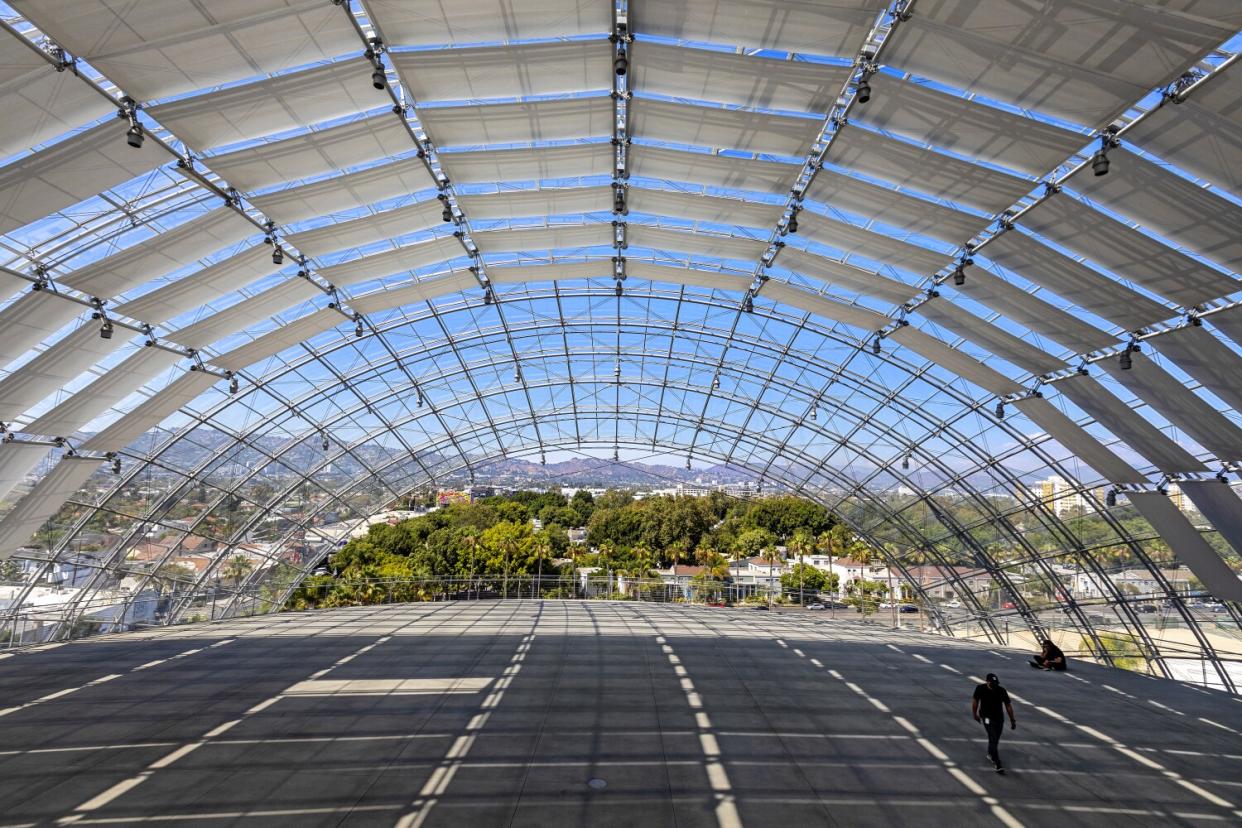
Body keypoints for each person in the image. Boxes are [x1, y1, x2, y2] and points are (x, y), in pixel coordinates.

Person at [972, 673, 1016, 773]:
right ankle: (997, 763)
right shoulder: (980, 688)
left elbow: (1008, 705)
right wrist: (975, 714)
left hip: (999, 718)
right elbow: (975, 701)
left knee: (995, 739)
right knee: (993, 737)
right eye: (992, 683)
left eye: (996, 683)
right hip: (986, 717)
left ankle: (990, 753)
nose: (995, 685)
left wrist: (1012, 720)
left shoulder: (1001, 690)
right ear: (987, 681)